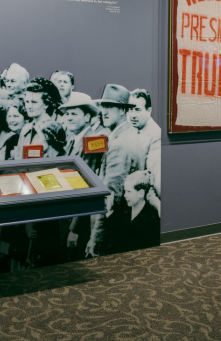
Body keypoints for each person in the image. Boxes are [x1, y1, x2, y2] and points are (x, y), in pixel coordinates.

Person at [86, 84, 140, 257]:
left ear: (123, 110)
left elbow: (110, 200)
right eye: (103, 106)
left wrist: (96, 238)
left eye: (110, 106)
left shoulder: (120, 144)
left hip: (114, 228)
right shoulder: (125, 135)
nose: (104, 111)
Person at [60, 92, 110, 260]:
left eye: (74, 113)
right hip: (66, 215)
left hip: (79, 220)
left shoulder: (94, 142)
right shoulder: (72, 140)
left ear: (88, 116)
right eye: (67, 114)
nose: (68, 117)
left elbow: (85, 187)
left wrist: (74, 228)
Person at [128, 89, 161, 215]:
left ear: (149, 111)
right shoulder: (130, 128)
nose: (133, 115)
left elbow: (152, 177)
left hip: (143, 200)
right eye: (130, 109)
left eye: (138, 110)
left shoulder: (155, 134)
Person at [16, 78, 66, 158]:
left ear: (46, 104)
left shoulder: (52, 128)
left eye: (34, 102)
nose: (29, 106)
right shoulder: (26, 129)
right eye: (27, 102)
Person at [118, 171, 160, 253]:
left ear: (141, 193)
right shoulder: (123, 213)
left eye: (129, 192)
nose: (125, 195)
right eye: (125, 191)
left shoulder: (152, 219)